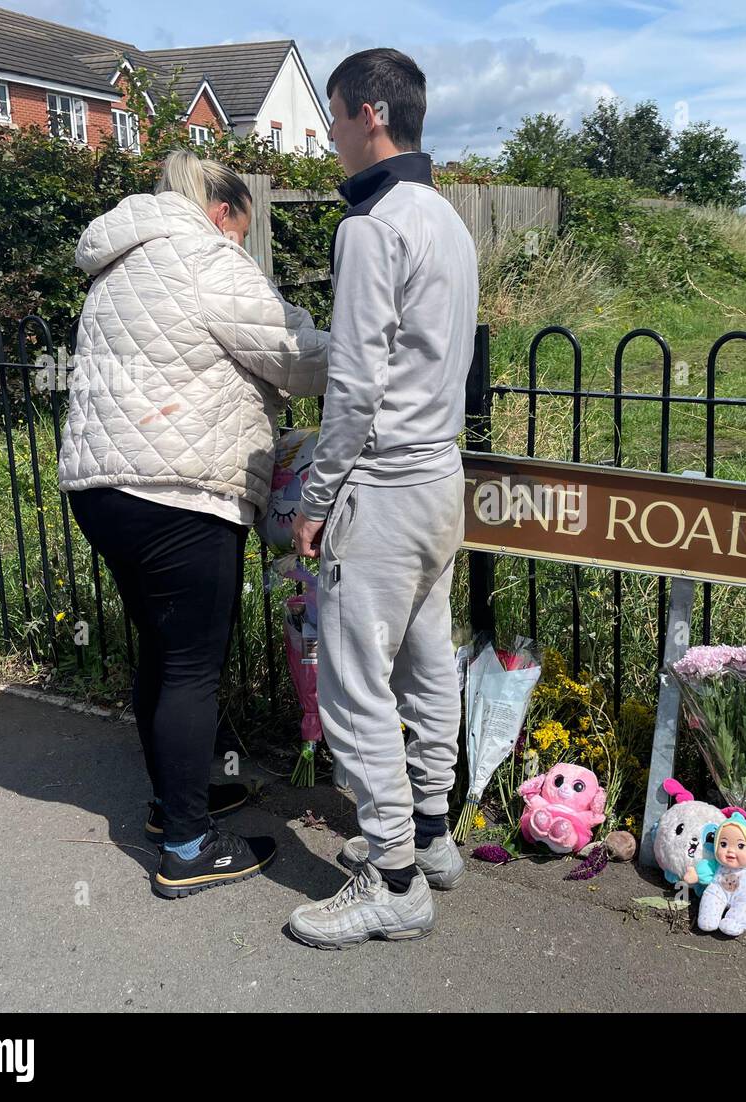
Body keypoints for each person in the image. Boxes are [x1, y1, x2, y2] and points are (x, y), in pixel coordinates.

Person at [58, 151, 328, 898]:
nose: (242, 245)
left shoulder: (120, 263)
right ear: (222, 213)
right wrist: (368, 358)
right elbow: (296, 356)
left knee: (162, 652)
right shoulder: (206, 257)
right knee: (189, 668)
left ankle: (174, 806)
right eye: (242, 231)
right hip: (176, 492)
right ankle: (185, 846)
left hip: (101, 488)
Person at [286, 48, 478, 949]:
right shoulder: (448, 218)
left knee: (356, 684)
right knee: (430, 660)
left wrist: (317, 496)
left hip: (385, 487)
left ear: (369, 113)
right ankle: (433, 835)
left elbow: (354, 386)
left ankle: (394, 881)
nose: (327, 136)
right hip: (442, 478)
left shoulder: (370, 226)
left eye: (331, 117)